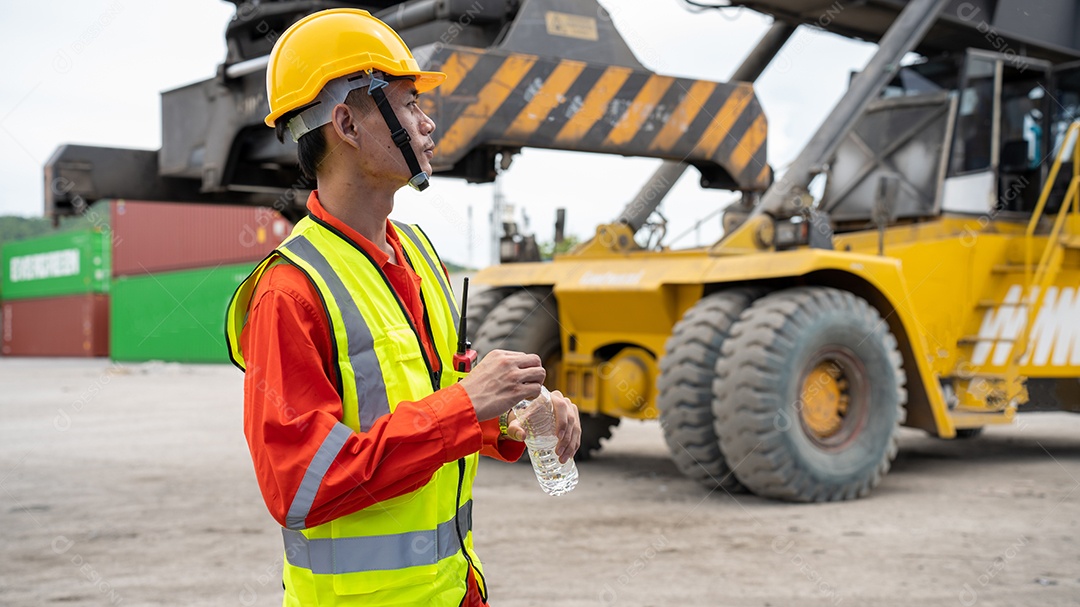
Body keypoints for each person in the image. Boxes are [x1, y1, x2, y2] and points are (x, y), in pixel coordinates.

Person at [224, 9, 581, 606]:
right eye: (408, 103)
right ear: (347, 122)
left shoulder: (416, 254)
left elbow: (436, 397)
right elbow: (302, 488)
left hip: (454, 590)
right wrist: (467, 406)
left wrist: (514, 419)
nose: (427, 123)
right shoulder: (290, 291)